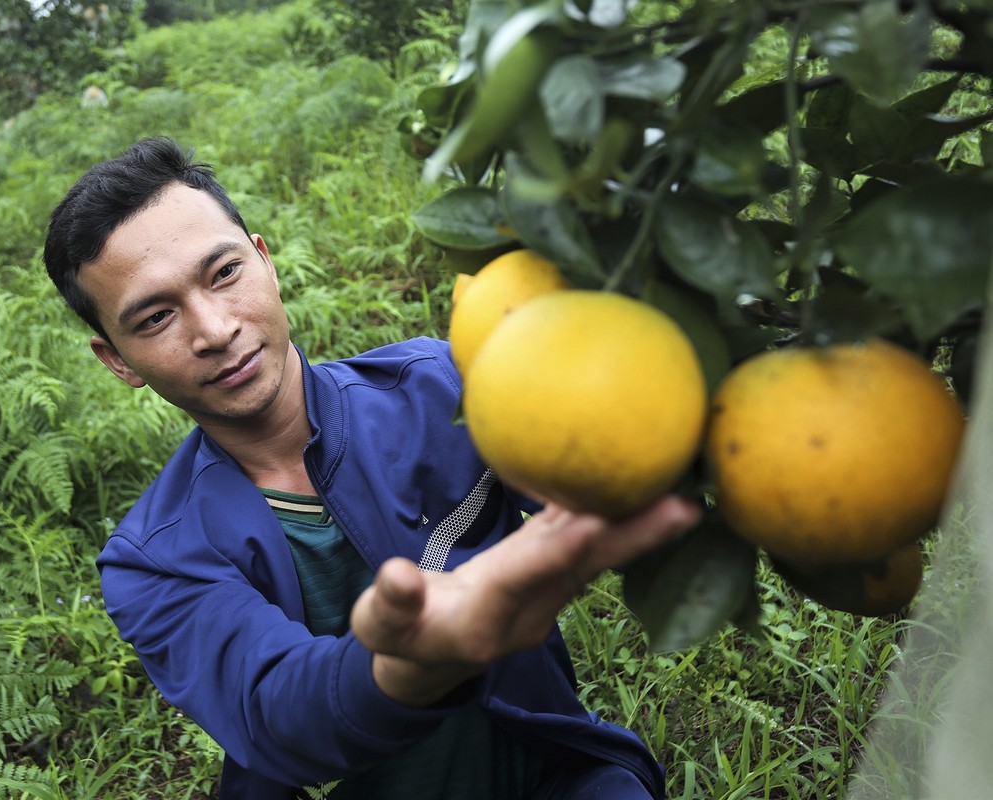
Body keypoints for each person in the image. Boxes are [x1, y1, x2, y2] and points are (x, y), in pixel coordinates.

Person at [42, 135, 699, 799]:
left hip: (556, 771)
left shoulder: (441, 386)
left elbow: (602, 480)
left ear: (265, 261)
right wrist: (407, 667)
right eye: (156, 317)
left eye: (224, 273)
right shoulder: (153, 558)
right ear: (117, 359)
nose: (213, 329)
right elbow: (278, 714)